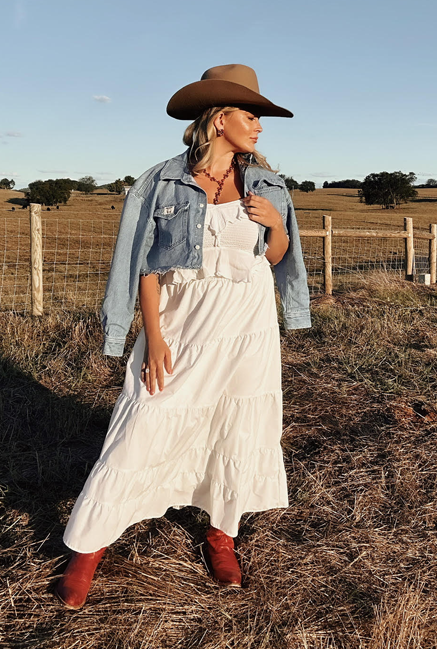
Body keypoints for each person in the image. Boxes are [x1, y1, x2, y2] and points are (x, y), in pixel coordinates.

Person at [54, 64, 312, 610]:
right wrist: (153, 335)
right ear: (220, 120)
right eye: (251, 115)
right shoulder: (160, 181)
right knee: (143, 421)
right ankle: (88, 549)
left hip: (247, 325)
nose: (259, 126)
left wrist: (279, 228)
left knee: (233, 424)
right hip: (182, 322)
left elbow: (270, 260)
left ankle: (222, 534)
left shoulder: (268, 185)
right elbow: (145, 267)